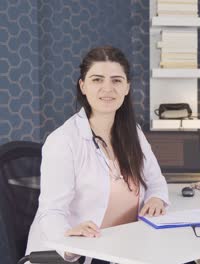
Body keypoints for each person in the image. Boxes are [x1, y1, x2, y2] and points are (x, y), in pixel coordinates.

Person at [26, 46, 170, 263]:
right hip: (80, 253)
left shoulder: (134, 133)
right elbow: (52, 211)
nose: (107, 88)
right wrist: (69, 243)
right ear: (82, 86)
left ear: (127, 87)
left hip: (124, 247)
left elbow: (156, 182)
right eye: (97, 79)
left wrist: (156, 198)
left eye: (116, 80)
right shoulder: (63, 141)